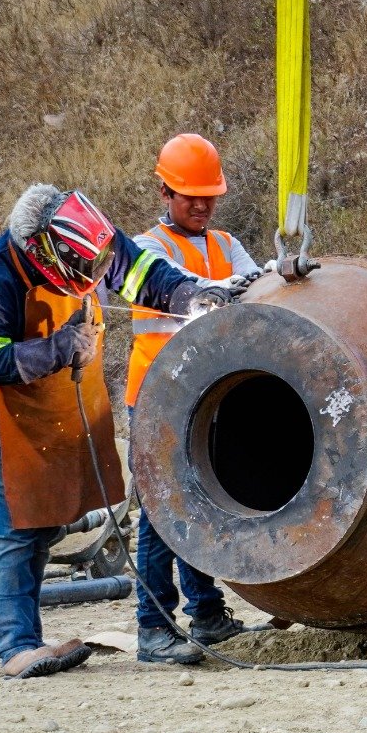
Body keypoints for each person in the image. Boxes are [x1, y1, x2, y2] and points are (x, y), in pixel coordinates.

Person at [0, 184, 231, 679]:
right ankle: (17, 649)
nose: (97, 276)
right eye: (86, 272)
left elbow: (142, 272)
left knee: (47, 518)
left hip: (48, 400)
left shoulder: (86, 237)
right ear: (42, 253)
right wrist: (56, 349)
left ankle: (28, 639)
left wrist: (190, 294)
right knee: (13, 524)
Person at [124, 134, 260, 664]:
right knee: (161, 513)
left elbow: (254, 283)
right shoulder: (146, 251)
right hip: (159, 396)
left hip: (210, 393)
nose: (201, 206)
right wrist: (240, 283)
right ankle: (153, 628)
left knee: (201, 502)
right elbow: (194, 286)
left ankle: (205, 615)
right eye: (190, 198)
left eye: (209, 197)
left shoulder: (225, 243)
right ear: (164, 192)